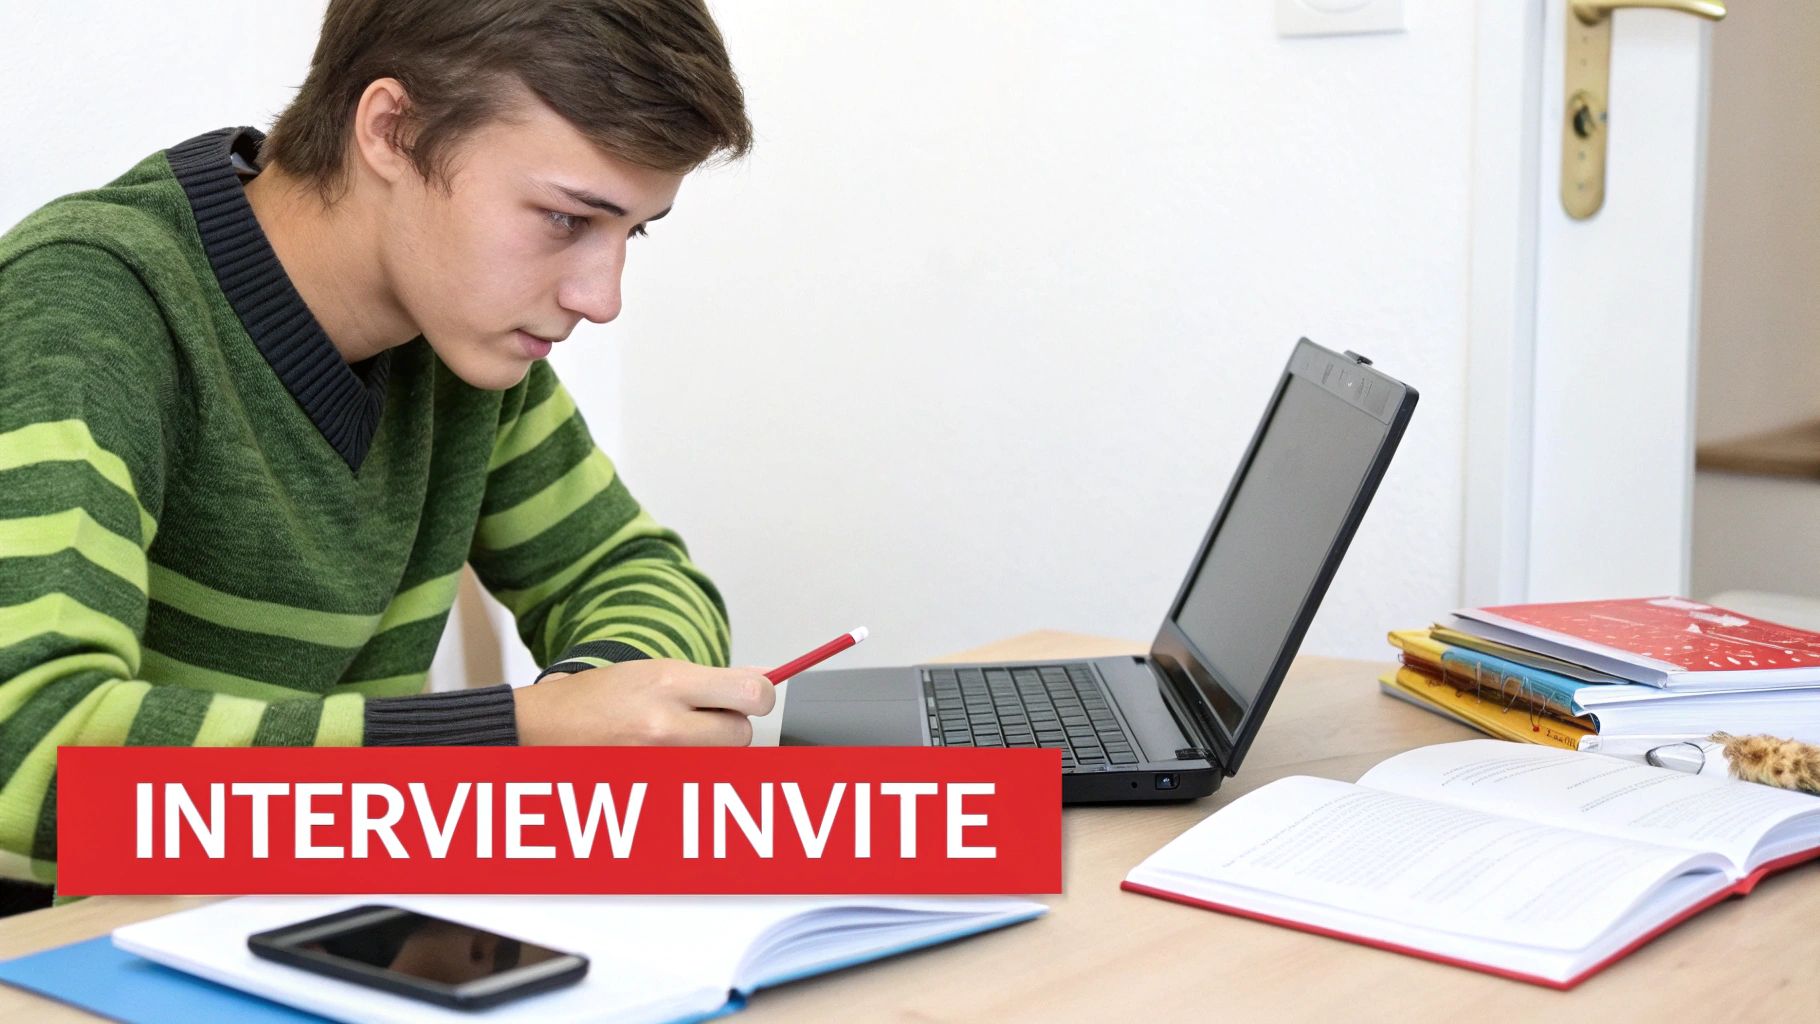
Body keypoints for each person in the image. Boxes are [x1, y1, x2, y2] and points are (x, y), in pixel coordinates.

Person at [0, 0, 772, 915]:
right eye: (568, 220)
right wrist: (506, 743)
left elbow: (634, 572)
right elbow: (26, 748)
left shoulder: (458, 338)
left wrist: (590, 709)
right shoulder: (87, 312)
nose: (600, 298)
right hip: (63, 955)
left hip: (309, 926)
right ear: (392, 130)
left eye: (631, 232)